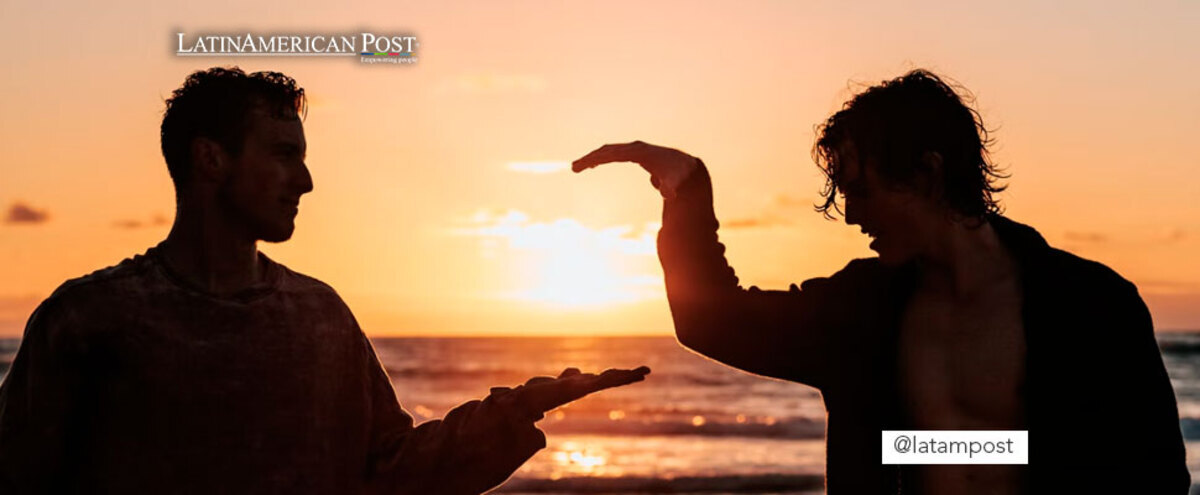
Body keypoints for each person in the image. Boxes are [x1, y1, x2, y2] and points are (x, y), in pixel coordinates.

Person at [0, 67, 649, 494]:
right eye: (284, 155)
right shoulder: (89, 320)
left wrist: (516, 408)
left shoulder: (320, 317)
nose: (305, 181)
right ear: (210, 160)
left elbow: (389, 470)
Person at [573, 70, 1188, 494]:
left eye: (860, 190)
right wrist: (687, 190)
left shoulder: (1091, 305)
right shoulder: (860, 308)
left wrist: (997, 449)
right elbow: (713, 320)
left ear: (926, 174)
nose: (851, 214)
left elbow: (1153, 474)